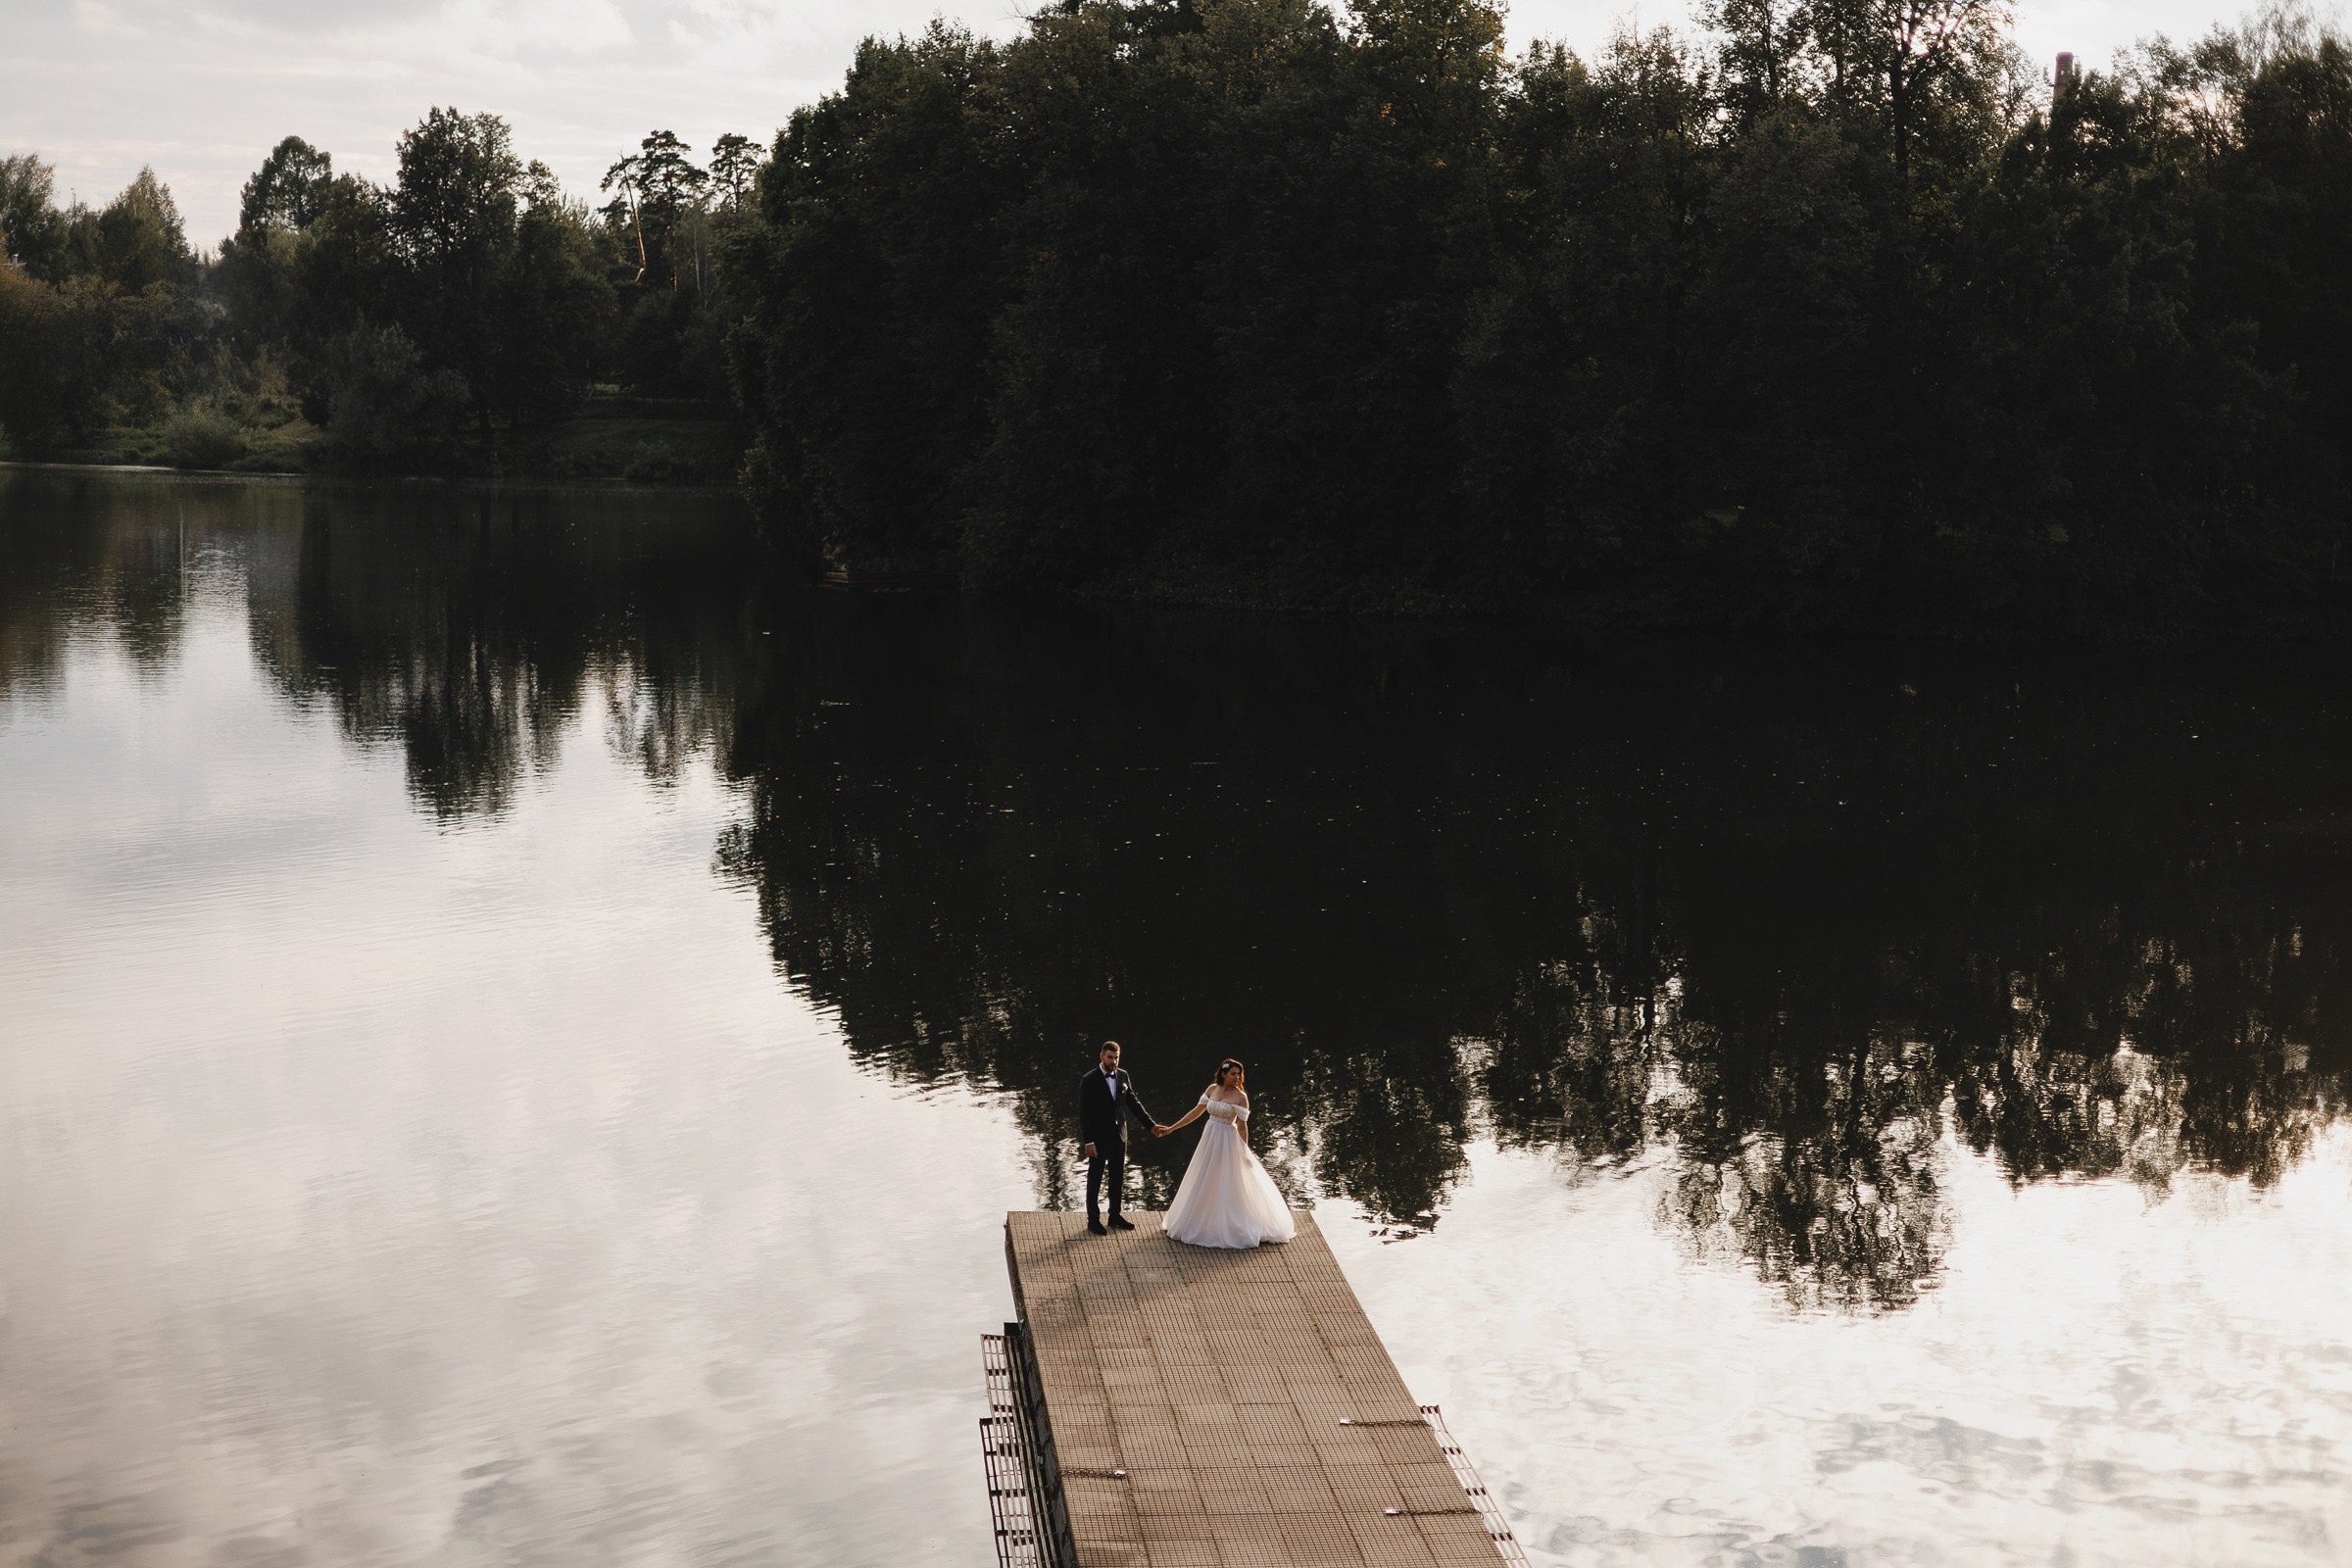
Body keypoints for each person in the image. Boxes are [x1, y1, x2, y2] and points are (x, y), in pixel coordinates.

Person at [1156, 1058, 1297, 1249]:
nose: (1237, 1077)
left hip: (1227, 1139)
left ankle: (1230, 1223)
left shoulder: (1241, 1097)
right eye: (1233, 1074)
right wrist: (1172, 1128)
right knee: (1205, 1175)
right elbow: (1196, 1112)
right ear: (1223, 1074)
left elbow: (1242, 1126)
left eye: (1239, 1074)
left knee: (1228, 1178)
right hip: (1210, 1136)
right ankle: (1202, 1219)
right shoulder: (1212, 1089)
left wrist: (1243, 1150)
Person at [1078, 1040, 1164, 1235]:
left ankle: (1114, 1216)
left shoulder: (1123, 1075)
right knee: (1095, 1179)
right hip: (1098, 1139)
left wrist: (1151, 1126)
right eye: (1110, 1057)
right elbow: (1084, 1114)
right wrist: (1088, 1141)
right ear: (1101, 1056)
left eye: (1116, 1058)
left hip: (1119, 1137)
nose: (1113, 1061)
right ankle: (1093, 1220)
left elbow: (1133, 1102)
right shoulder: (1089, 1080)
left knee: (1117, 1178)